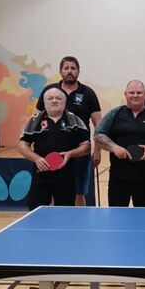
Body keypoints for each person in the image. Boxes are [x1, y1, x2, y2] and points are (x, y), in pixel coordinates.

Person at [94, 81, 145, 207]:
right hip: (118, 179)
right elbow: (98, 134)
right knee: (117, 216)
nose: (135, 95)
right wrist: (114, 147)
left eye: (139, 93)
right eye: (132, 92)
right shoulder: (114, 113)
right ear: (125, 94)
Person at [36, 56, 102, 206]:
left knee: (79, 194)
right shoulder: (50, 91)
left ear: (78, 71)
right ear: (61, 71)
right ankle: (55, 221)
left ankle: (80, 221)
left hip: (80, 152)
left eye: (73, 68)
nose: (70, 71)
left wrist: (97, 150)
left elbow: (98, 123)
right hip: (54, 152)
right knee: (53, 193)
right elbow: (37, 120)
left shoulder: (88, 93)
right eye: (66, 68)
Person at [18, 88, 90, 211]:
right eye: (50, 98)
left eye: (59, 98)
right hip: (40, 177)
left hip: (66, 178)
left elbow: (86, 146)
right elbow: (22, 144)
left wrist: (70, 154)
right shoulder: (35, 120)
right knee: (37, 213)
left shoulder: (75, 120)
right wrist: (36, 158)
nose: (54, 101)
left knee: (65, 214)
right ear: (44, 102)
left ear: (65, 101)